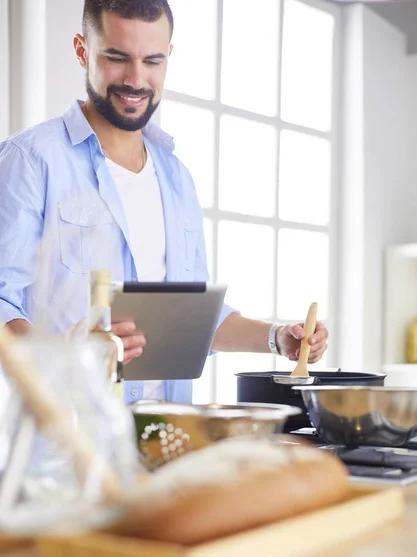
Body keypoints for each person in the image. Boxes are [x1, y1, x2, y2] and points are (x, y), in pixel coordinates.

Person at [0, 0, 328, 404]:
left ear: (168, 57)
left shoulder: (177, 178)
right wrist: (68, 358)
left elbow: (191, 321)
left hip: (168, 438)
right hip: (70, 443)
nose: (136, 80)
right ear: (83, 50)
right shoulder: (29, 160)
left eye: (152, 61)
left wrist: (279, 339)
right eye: (117, 58)